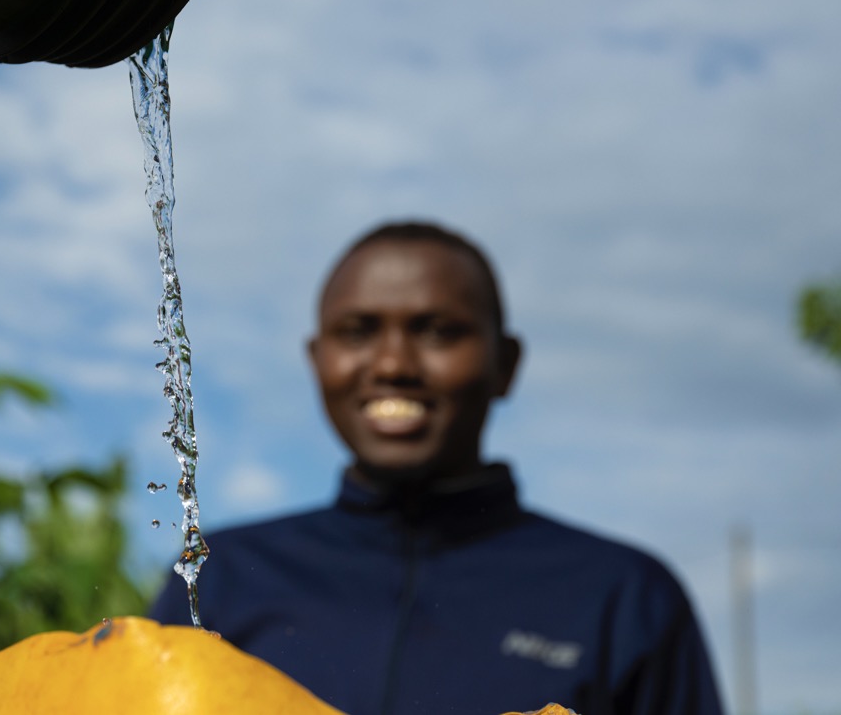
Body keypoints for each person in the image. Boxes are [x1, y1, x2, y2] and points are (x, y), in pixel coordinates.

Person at [149, 221, 725, 715]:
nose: (394, 363)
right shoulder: (222, 580)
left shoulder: (622, 597)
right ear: (318, 360)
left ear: (506, 365)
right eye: (358, 331)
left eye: (438, 331)